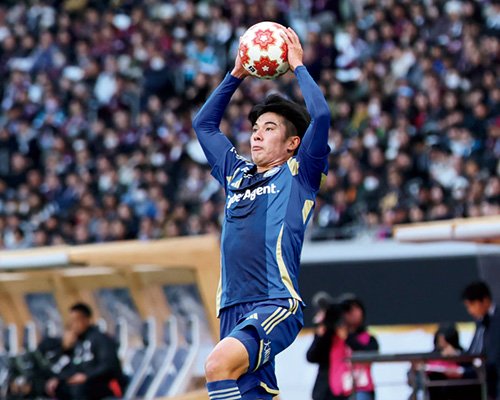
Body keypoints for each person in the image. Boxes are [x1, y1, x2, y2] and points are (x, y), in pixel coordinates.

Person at [192, 27, 330, 399]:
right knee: (253, 392)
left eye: (268, 129)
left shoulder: (299, 173)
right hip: (231, 307)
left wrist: (298, 66)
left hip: (275, 301)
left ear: (292, 143)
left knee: (216, 366)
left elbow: (320, 116)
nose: (256, 135)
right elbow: (203, 124)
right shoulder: (235, 173)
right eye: (254, 128)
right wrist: (236, 73)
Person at [45, 303, 125, 400]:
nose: (74, 324)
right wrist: (58, 378)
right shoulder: (77, 342)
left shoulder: (101, 339)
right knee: (56, 388)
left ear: (87, 320)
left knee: (79, 390)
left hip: (103, 384)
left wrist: (87, 376)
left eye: (76, 320)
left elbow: (109, 365)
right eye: (71, 321)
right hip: (82, 384)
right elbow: (70, 366)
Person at [457, 281, 499, 400]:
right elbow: (474, 352)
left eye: (471, 305)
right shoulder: (481, 322)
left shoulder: (496, 320)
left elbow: (493, 359)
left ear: (484, 301)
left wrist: (464, 372)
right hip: (481, 378)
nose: (470, 311)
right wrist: (457, 356)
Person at [307, 302, 353, 400]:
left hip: (344, 388)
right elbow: (311, 357)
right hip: (324, 390)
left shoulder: (349, 336)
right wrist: (321, 335)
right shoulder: (325, 336)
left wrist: (345, 337)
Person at [339, 294, 378, 400]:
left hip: (362, 388)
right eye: (348, 310)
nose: (352, 313)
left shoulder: (368, 337)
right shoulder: (335, 338)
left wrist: (347, 337)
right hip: (337, 390)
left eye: (356, 308)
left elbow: (370, 355)